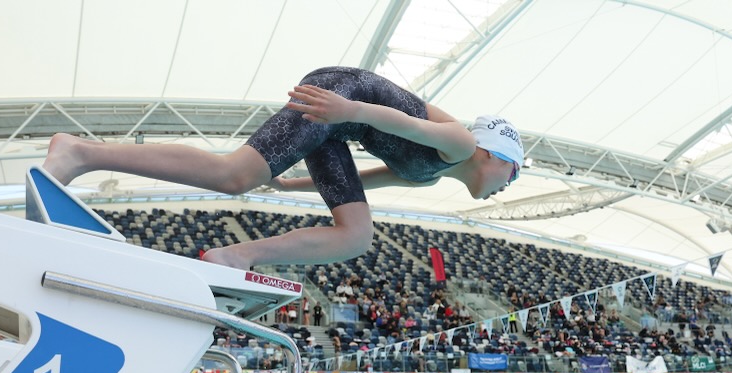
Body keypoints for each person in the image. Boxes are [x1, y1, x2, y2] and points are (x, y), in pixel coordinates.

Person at [41, 66, 522, 270]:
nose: (510, 185)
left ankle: (234, 257)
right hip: (342, 95)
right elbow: (403, 122)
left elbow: (365, 180)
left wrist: (292, 184)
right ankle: (80, 152)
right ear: (494, 154)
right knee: (235, 175)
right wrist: (348, 109)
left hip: (339, 125)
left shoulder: (430, 173)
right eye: (515, 172)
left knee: (356, 235)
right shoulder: (460, 142)